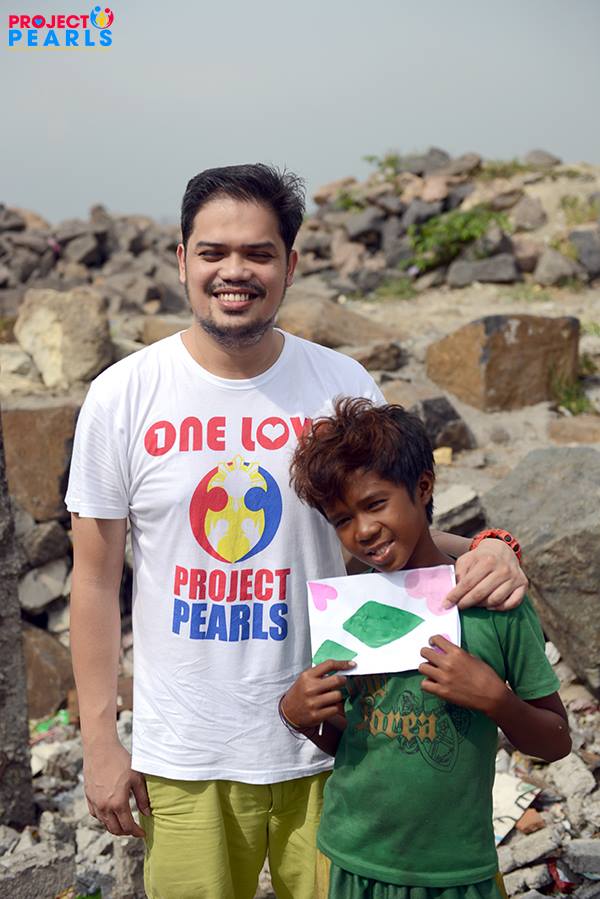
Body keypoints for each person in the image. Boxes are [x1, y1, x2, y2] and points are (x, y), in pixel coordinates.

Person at [66, 164, 528, 899]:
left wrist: (492, 547)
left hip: (335, 744)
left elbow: (393, 536)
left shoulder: (340, 386)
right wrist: (99, 743)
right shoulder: (122, 396)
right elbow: (92, 581)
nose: (235, 271)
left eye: (258, 253)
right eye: (213, 252)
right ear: (181, 260)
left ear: (291, 263)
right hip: (185, 752)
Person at [282, 397, 571, 899]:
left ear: (423, 487)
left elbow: (557, 741)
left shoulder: (493, 602)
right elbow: (356, 741)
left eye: (375, 504)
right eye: (342, 519)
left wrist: (496, 700)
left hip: (456, 869)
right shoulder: (347, 610)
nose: (362, 530)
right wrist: (299, 717)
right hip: (350, 860)